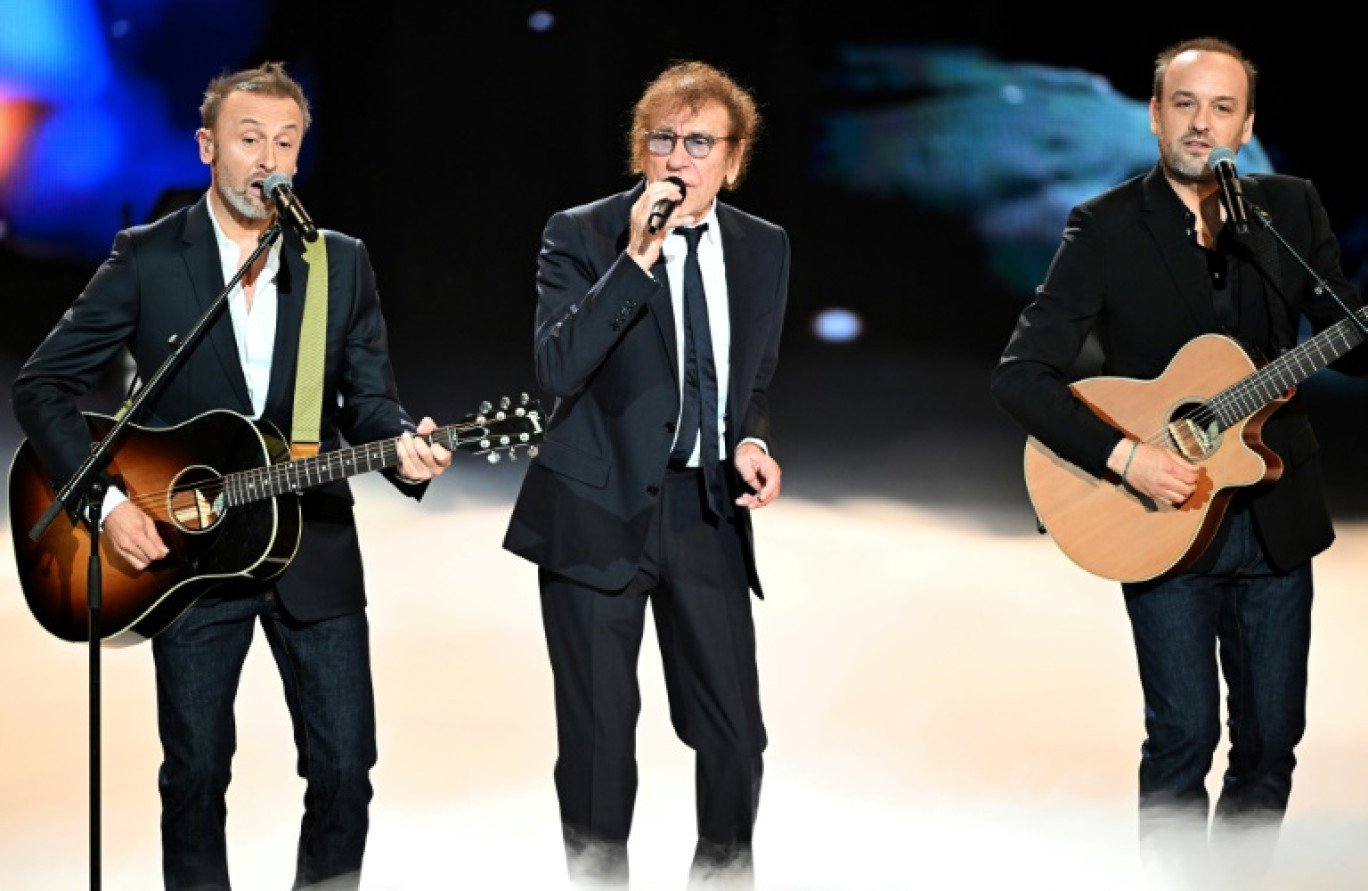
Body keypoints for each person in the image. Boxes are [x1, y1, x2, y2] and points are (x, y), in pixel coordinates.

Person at [11, 61, 451, 889]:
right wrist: (104, 504)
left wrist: (407, 449)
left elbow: (371, 404)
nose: (269, 158)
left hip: (312, 545)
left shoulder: (338, 263)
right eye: (250, 140)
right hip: (187, 555)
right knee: (195, 779)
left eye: (286, 142)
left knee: (344, 771)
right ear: (208, 146)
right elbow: (42, 386)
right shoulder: (149, 256)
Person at [989, 37, 1368, 889]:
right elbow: (1021, 377)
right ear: (1156, 115)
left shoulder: (1289, 208)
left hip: (1274, 517)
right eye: (1185, 105)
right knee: (1183, 737)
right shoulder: (1106, 226)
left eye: (1222, 107)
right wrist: (1128, 457)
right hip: (1159, 522)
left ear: (1248, 122)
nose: (1203, 124)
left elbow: (1351, 345)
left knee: (1272, 740)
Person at [502, 60, 788, 888]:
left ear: (733, 160)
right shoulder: (580, 234)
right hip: (595, 514)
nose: (678, 158)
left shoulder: (764, 247)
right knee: (598, 749)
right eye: (662, 139)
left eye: (699, 142)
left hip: (706, 513)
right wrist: (636, 260)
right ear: (640, 150)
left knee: (735, 740)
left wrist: (754, 442)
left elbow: (752, 381)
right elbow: (558, 365)